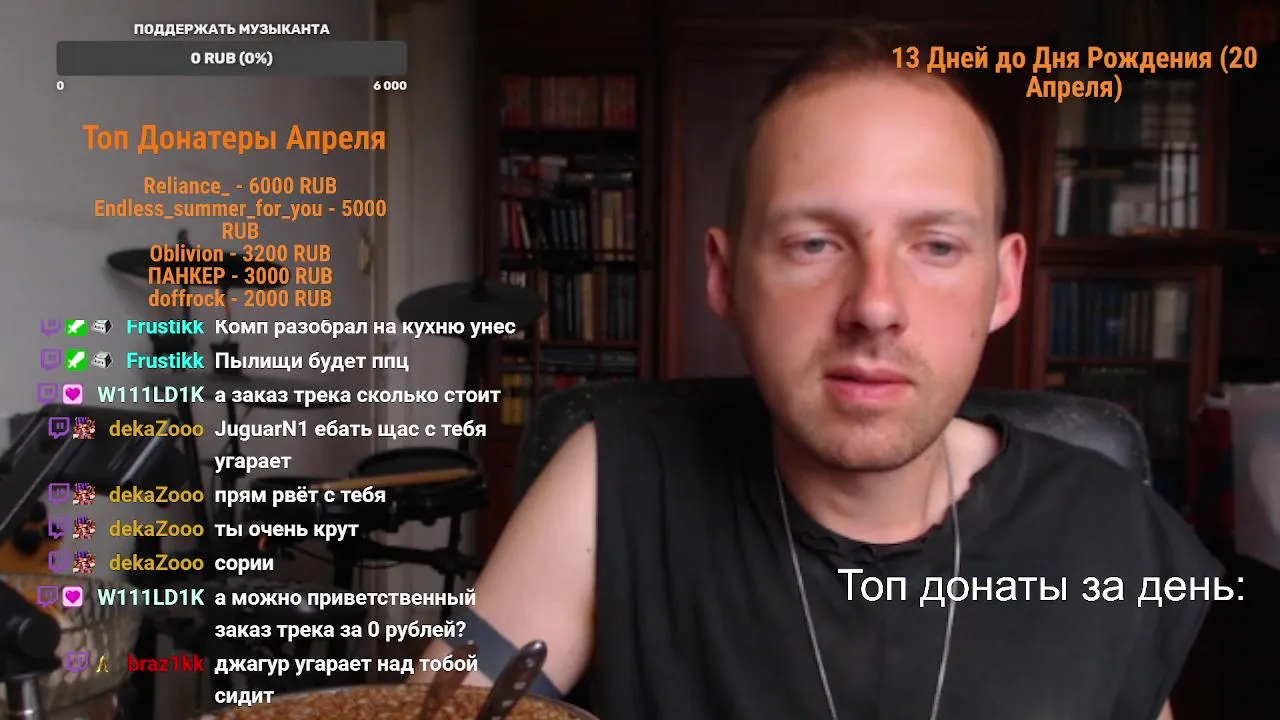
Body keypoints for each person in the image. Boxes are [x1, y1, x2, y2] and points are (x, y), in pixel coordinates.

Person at [416, 23, 1221, 720]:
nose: (875, 305)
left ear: (1005, 284)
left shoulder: (1114, 531)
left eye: (937, 246)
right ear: (725, 277)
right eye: (814, 244)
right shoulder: (611, 481)